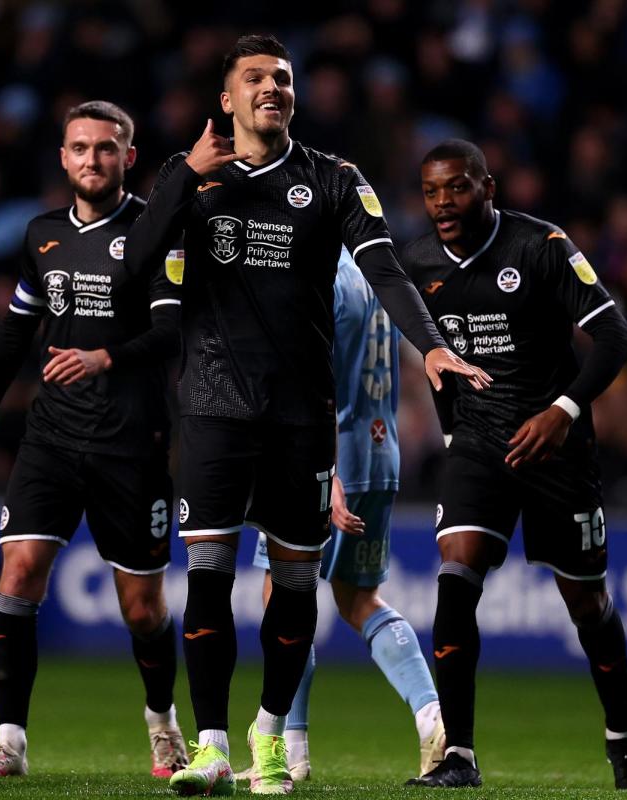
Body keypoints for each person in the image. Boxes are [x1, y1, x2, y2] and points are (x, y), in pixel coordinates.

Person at [123, 34, 489, 797]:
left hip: (300, 418)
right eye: (254, 77)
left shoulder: (332, 179)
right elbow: (132, 268)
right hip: (215, 408)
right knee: (208, 579)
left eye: (282, 78)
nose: (272, 87)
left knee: (293, 590)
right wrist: (186, 175)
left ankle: (267, 732)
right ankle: (213, 745)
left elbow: (384, 268)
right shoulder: (188, 178)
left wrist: (429, 347)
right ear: (226, 98)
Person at [401, 140, 627, 791]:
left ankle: (622, 741)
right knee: (455, 573)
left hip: (556, 446)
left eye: (456, 188)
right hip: (479, 447)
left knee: (587, 603)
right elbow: (439, 362)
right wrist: (456, 433)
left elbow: (614, 336)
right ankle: (458, 754)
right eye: (431, 192)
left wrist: (564, 410)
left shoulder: (539, 245)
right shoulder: (420, 261)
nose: (442, 204)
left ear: (487, 187)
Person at [0, 101, 188, 780]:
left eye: (105, 149)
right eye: (79, 148)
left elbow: (172, 332)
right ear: (62, 157)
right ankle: (9, 743)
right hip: (51, 437)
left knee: (141, 609)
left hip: (131, 442)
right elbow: (17, 329)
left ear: (127, 157)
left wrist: (102, 357)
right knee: (17, 574)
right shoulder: (42, 233)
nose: (91, 159)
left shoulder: (152, 229)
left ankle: (163, 726)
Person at [241, 248, 444, 785]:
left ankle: (289, 749)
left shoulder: (315, 272)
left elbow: (317, 384)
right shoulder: (377, 272)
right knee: (359, 599)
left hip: (328, 462)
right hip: (380, 454)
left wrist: (325, 471)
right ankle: (431, 716)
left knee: (282, 596)